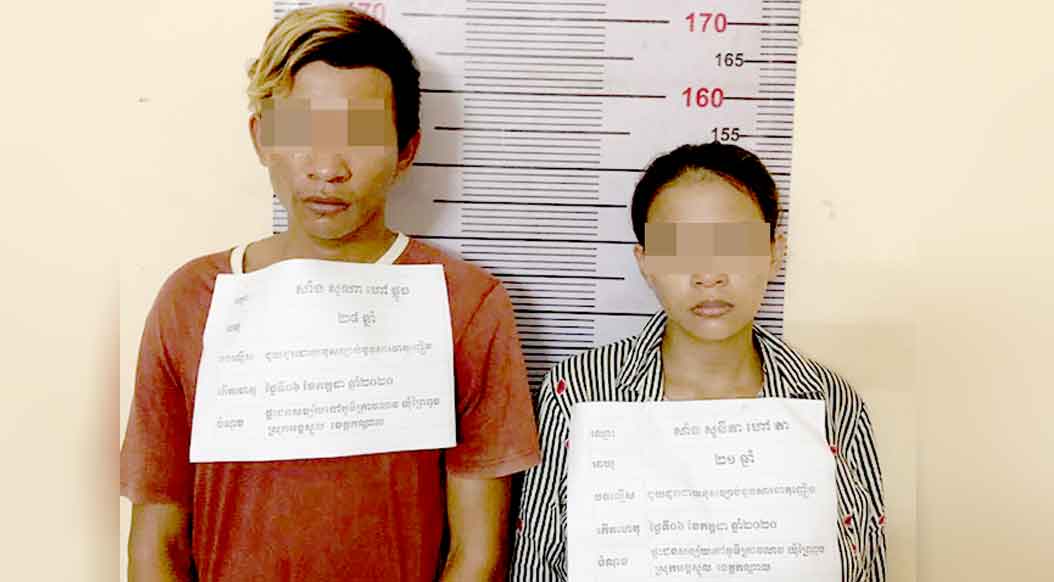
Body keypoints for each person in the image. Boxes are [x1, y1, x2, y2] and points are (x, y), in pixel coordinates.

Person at [120, 7, 540, 581]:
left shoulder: (466, 303)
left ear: (407, 150)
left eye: (360, 137)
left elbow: (477, 551)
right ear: (261, 138)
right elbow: (156, 543)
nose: (327, 168)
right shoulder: (192, 298)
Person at [510, 142, 886, 582]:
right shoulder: (577, 393)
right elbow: (537, 567)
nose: (709, 275)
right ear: (645, 262)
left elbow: (867, 567)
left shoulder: (832, 402)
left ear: (774, 253)